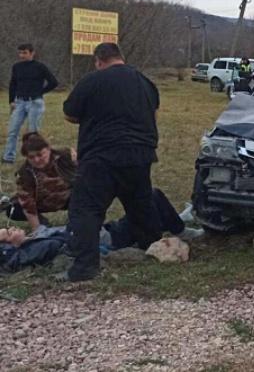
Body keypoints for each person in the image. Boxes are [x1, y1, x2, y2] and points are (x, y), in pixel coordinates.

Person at [62, 42, 162, 282]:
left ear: (99, 60)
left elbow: (69, 113)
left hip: (101, 157)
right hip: (140, 154)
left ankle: (85, 267)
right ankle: (153, 247)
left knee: (86, 209)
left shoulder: (92, 80)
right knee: (141, 203)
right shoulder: (144, 82)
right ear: (121, 57)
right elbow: (155, 112)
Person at [1, 189, 201, 274]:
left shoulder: (36, 236)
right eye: (9, 233)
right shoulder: (33, 247)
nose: (13, 228)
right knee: (151, 197)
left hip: (109, 230)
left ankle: (179, 222)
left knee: (149, 200)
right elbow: (60, 244)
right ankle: (180, 227)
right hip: (116, 238)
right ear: (13, 244)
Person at [2, 132, 77, 231]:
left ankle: (78, 222)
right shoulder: (24, 174)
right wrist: (39, 230)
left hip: (69, 197)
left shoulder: (66, 156)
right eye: (31, 157)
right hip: (42, 201)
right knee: (14, 209)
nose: (37, 160)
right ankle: (44, 225)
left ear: (48, 149)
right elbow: (28, 205)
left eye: (40, 154)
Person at [3, 44, 59, 163]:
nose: (22, 55)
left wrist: (40, 92)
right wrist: (11, 100)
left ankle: (35, 158)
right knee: (13, 130)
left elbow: (53, 82)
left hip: (35, 102)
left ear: (32, 53)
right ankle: (8, 157)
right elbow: (13, 83)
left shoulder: (40, 67)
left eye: (25, 53)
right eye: (20, 53)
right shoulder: (16, 67)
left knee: (33, 133)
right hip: (19, 102)